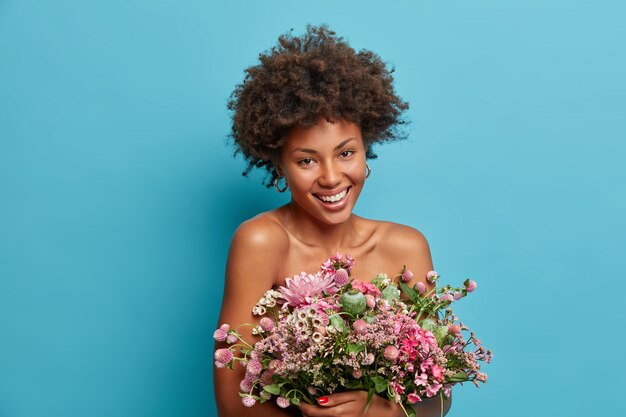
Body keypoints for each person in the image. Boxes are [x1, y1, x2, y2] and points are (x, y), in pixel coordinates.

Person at [214, 25, 452, 417]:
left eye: (345, 153)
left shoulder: (406, 248)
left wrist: (382, 411)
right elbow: (232, 405)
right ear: (279, 166)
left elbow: (439, 396)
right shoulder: (260, 241)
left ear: (366, 150)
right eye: (307, 160)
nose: (330, 177)